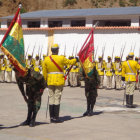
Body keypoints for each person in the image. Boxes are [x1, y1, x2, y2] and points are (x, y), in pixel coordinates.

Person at [43, 44, 77, 123]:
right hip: (59, 81)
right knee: (57, 98)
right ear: (57, 50)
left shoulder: (46, 59)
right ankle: (56, 117)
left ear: (51, 50)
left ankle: (51, 117)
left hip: (50, 81)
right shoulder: (61, 58)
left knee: (51, 97)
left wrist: (45, 81)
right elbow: (69, 62)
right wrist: (76, 59)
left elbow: (44, 72)